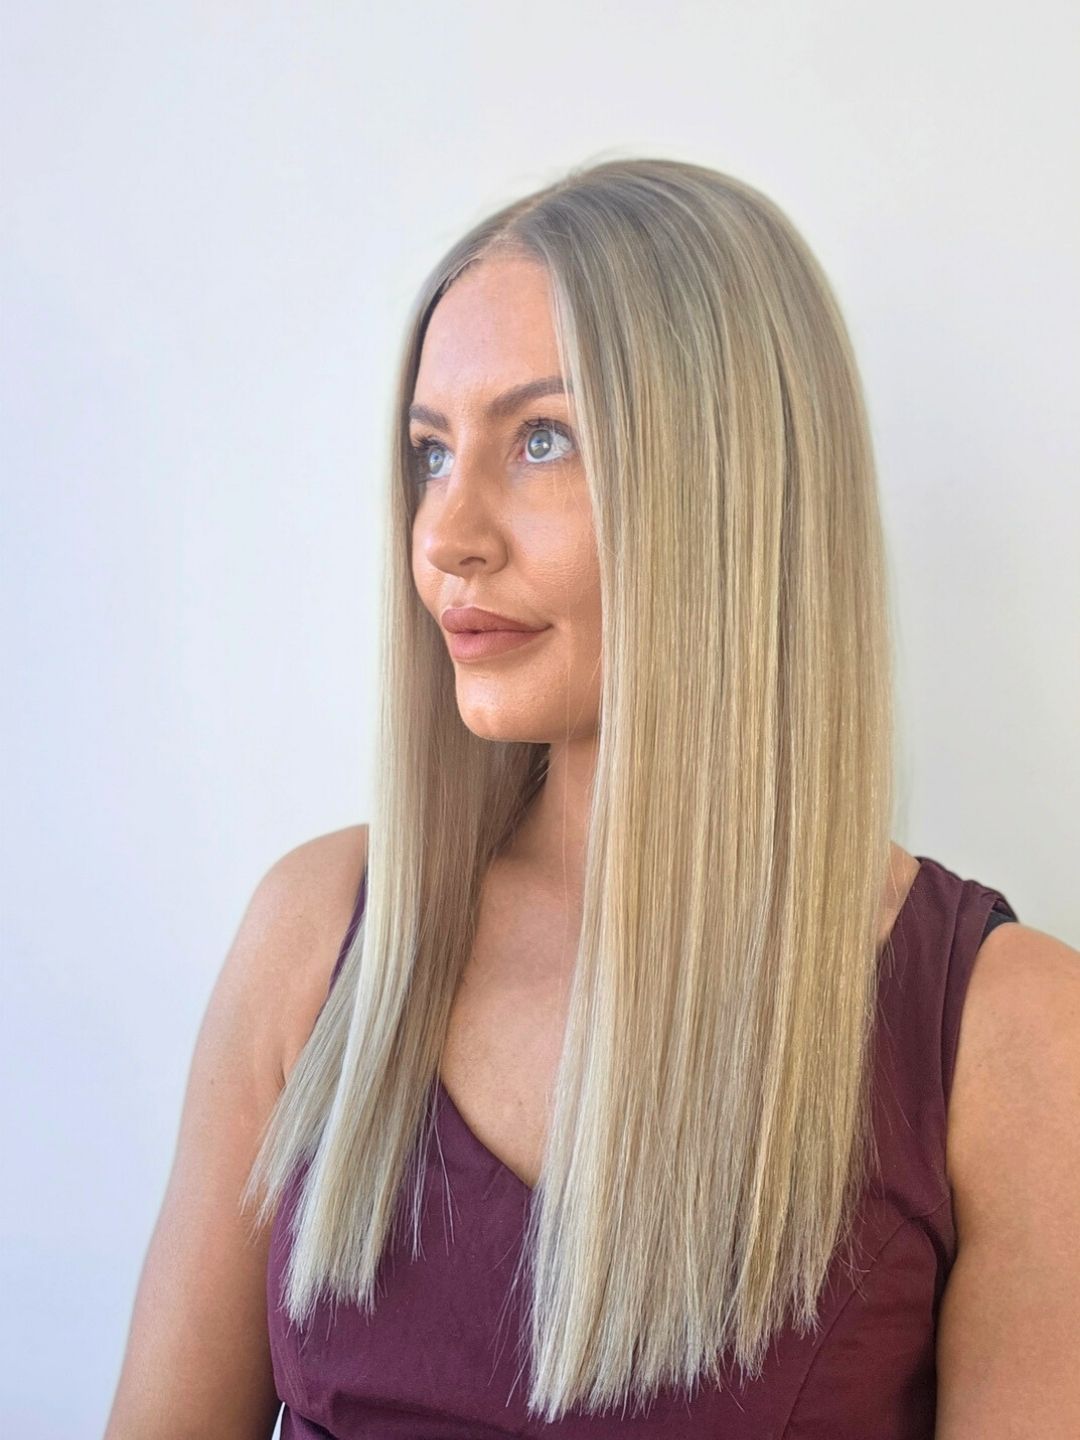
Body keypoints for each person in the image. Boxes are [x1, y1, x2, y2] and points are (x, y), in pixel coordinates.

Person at [104, 157, 1080, 1439]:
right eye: (431, 452)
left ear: (733, 486)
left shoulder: (1011, 1038)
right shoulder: (322, 934)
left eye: (542, 439)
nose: (446, 535)